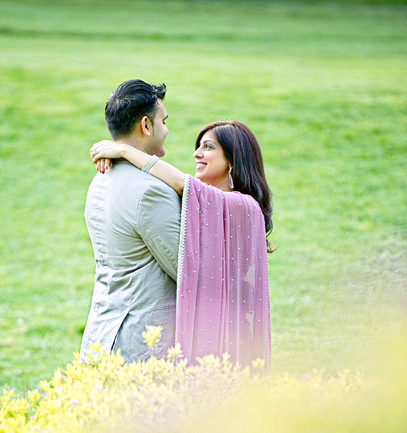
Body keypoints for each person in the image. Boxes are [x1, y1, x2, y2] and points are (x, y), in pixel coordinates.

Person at [90, 118, 273, 366]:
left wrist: (122, 150)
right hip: (205, 324)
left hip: (227, 329)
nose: (197, 153)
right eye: (198, 146)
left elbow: (181, 183)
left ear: (232, 158)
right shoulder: (204, 203)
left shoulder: (244, 206)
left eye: (208, 147)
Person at [80, 79, 180, 362]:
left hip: (102, 333)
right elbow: (187, 268)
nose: (167, 130)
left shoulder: (100, 179)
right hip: (142, 345)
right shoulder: (151, 190)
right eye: (164, 121)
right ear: (146, 126)